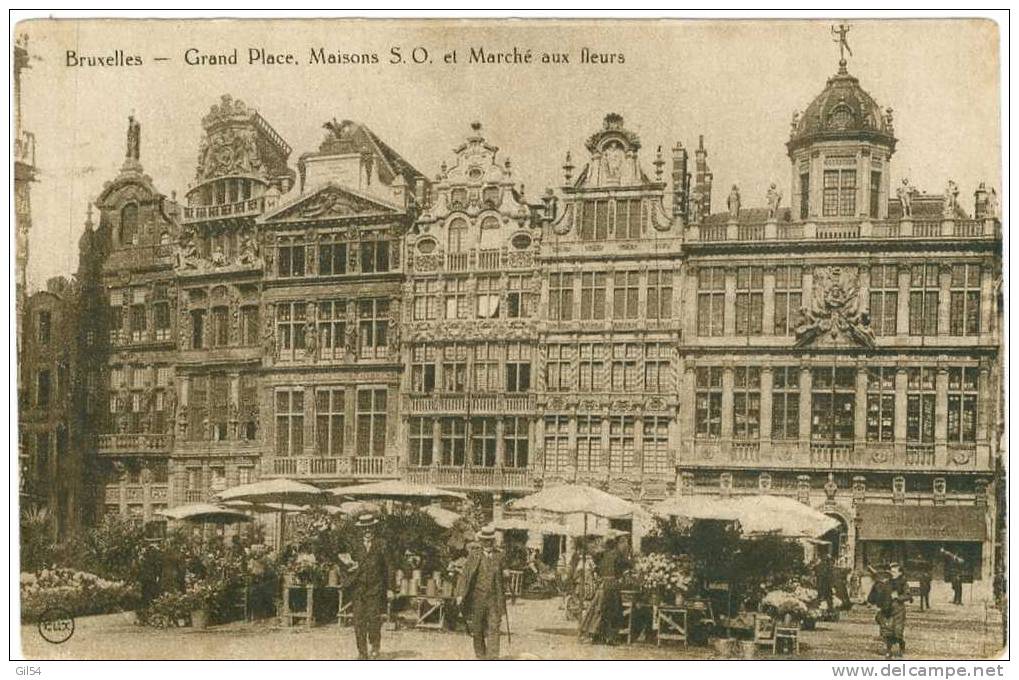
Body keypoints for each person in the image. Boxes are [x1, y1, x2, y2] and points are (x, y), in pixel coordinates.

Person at [342, 512, 390, 660]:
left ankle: (375, 646)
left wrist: (390, 588)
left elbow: (389, 567)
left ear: (374, 529)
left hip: (375, 589)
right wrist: (348, 567)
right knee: (358, 621)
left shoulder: (382, 544)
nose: (367, 531)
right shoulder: (354, 545)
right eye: (365, 529)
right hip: (358, 589)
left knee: (374, 620)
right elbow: (345, 562)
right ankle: (362, 652)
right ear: (361, 530)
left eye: (370, 528)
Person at [456, 526, 507, 660]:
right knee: (477, 628)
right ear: (481, 541)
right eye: (485, 540)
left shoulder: (499, 555)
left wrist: (505, 575)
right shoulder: (474, 555)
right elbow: (465, 575)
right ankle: (480, 656)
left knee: (494, 627)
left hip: (494, 598)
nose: (487, 543)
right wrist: (460, 594)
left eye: (489, 540)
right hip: (477, 597)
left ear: (493, 541)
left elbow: (502, 577)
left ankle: (492, 657)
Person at [580, 535, 631, 645]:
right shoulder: (618, 556)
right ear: (617, 544)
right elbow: (626, 572)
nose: (625, 546)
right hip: (612, 587)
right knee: (612, 611)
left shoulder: (604, 556)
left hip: (604, 586)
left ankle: (594, 635)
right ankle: (609, 637)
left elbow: (598, 570)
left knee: (600, 610)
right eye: (624, 543)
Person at [868, 563, 911, 659]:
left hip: (898, 610)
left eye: (894, 571)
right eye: (891, 571)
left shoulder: (903, 583)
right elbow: (879, 593)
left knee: (897, 631)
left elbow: (908, 595)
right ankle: (889, 650)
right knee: (887, 631)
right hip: (887, 608)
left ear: (900, 573)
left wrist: (898, 597)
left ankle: (901, 644)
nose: (892, 573)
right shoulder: (888, 582)